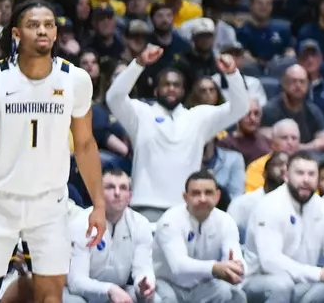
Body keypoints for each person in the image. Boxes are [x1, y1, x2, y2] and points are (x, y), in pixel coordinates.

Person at [0, 1, 107, 303]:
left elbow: (86, 145)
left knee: (51, 298)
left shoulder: (75, 80)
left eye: (49, 24)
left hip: (49, 206)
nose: (42, 30)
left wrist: (99, 205)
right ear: (16, 33)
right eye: (33, 24)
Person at [106, 45, 250, 220]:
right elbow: (113, 97)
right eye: (166, 84)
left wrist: (232, 74)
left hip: (187, 209)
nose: (172, 89)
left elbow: (240, 108)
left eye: (177, 85)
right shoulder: (140, 114)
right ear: (156, 90)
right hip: (145, 207)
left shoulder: (199, 117)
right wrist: (139, 63)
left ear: (184, 91)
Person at [242, 155, 324, 303]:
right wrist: (319, 274)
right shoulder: (269, 206)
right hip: (260, 281)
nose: (306, 180)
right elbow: (270, 262)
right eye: (300, 173)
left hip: (305, 282)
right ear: (286, 175)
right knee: (282, 285)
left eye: (311, 174)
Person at [153, 170, 247, 303]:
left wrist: (238, 267)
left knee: (233, 294)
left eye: (208, 193)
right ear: (185, 197)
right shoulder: (169, 221)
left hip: (202, 285)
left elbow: (235, 255)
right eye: (196, 193)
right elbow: (178, 266)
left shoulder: (226, 221)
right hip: (168, 285)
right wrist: (215, 268)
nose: (202, 199)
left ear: (217, 196)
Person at [66, 170, 156, 303]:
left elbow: (143, 268)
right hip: (84, 294)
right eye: (110, 187)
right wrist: (108, 289)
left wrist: (144, 284)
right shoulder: (80, 223)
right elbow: (76, 281)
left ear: (130, 196)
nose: (117, 193)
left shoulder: (141, 224)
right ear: (98, 194)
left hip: (121, 290)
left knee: (155, 299)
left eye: (123, 188)